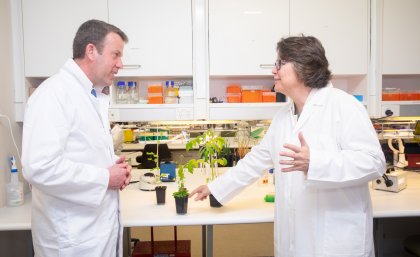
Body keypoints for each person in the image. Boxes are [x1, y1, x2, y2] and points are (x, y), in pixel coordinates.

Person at [190, 35, 386, 257]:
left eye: (280, 63)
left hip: (336, 239)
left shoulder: (344, 106)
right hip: (296, 235)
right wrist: (215, 187)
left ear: (304, 67)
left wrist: (316, 162)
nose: (274, 71)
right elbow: (256, 161)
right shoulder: (284, 117)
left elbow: (374, 162)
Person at [22, 20, 131, 257]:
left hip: (94, 232)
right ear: (91, 51)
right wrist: (105, 177)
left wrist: (115, 167)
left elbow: (81, 151)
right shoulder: (53, 95)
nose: (121, 64)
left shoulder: (91, 95)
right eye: (116, 55)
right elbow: (39, 167)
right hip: (71, 240)